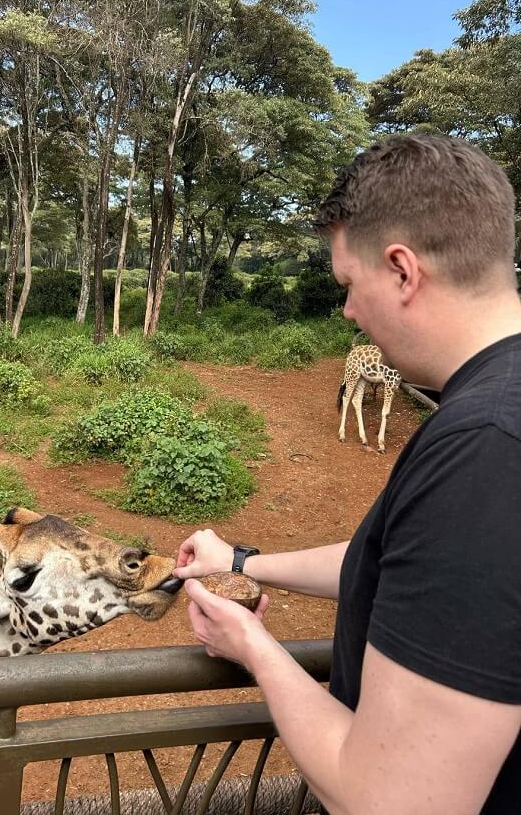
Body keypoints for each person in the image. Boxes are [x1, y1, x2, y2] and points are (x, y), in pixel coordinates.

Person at [173, 134, 521, 814]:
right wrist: (242, 561)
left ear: (402, 271)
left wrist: (254, 645)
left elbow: (390, 799)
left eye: (349, 286)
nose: (348, 312)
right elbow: (411, 568)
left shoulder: (486, 446)